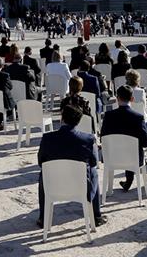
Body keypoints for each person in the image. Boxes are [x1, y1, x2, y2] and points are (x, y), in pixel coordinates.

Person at [36, 95, 103, 228]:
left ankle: (43, 217)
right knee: (93, 171)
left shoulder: (47, 138)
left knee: (43, 173)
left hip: (53, 185)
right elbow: (94, 162)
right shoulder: (88, 139)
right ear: (78, 121)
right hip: (80, 186)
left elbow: (41, 161)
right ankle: (96, 215)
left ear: (62, 118)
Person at [100, 84, 147, 192]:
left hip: (112, 156)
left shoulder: (108, 116)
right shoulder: (138, 117)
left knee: (128, 148)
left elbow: (102, 137)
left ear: (117, 99)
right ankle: (129, 180)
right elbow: (145, 142)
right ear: (132, 99)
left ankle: (127, 181)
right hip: (133, 158)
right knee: (132, 148)